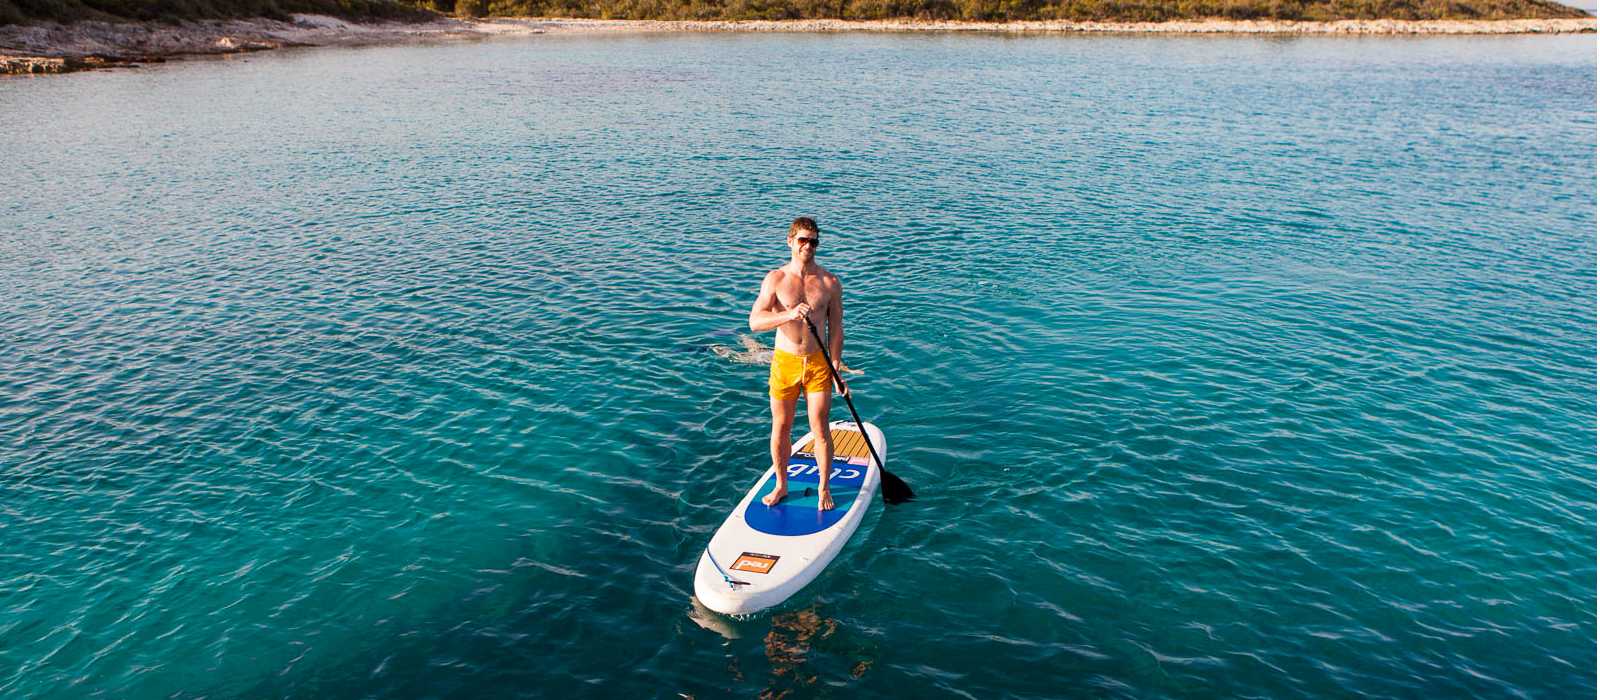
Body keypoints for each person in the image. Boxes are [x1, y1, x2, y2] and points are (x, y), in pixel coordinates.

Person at [748, 217, 850, 510]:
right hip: (785, 362)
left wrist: (836, 368)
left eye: (813, 241)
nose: (808, 245)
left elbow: (836, 329)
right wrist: (788, 315)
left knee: (820, 427)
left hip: (818, 364)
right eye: (803, 240)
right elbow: (755, 322)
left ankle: (823, 488)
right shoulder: (776, 279)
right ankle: (781, 485)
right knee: (781, 426)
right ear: (790, 241)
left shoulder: (829, 282)